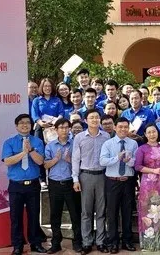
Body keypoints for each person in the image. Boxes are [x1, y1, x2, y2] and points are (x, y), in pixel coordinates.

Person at [2, 114, 47, 255]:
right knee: (16, 217)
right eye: (21, 123)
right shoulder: (9, 142)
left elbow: (40, 162)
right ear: (16, 126)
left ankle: (36, 244)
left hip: (33, 185)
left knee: (34, 216)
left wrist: (31, 150)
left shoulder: (38, 141)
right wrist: (23, 152)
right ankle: (18, 245)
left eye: (28, 122)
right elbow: (8, 161)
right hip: (16, 185)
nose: (25, 125)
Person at [71, 109, 111, 255]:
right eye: (91, 117)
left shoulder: (106, 136)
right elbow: (75, 159)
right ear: (86, 120)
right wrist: (75, 179)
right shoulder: (79, 138)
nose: (94, 120)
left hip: (102, 176)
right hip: (85, 176)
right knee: (86, 212)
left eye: (96, 117)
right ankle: (86, 242)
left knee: (101, 211)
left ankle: (100, 242)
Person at [99, 118, 138, 253]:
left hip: (128, 181)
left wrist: (128, 161)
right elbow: (102, 161)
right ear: (115, 127)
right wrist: (117, 158)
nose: (123, 129)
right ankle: (113, 242)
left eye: (126, 127)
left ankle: (127, 241)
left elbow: (136, 163)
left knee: (127, 212)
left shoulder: (133, 143)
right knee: (112, 213)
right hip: (112, 181)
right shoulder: (108, 143)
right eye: (120, 127)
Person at [44, 118, 82, 254]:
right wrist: (55, 159)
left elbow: (80, 164)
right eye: (61, 127)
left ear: (70, 129)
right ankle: (56, 243)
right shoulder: (50, 146)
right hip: (55, 184)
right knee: (55, 215)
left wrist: (69, 160)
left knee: (75, 214)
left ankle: (77, 242)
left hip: (71, 183)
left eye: (67, 127)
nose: (64, 130)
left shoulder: (75, 144)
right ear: (56, 130)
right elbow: (45, 165)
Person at [134, 123, 160, 251]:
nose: (152, 134)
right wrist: (153, 171)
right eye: (149, 132)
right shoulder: (142, 149)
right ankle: (149, 243)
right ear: (145, 134)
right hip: (148, 185)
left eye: (154, 131)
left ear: (157, 133)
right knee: (148, 212)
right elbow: (137, 166)